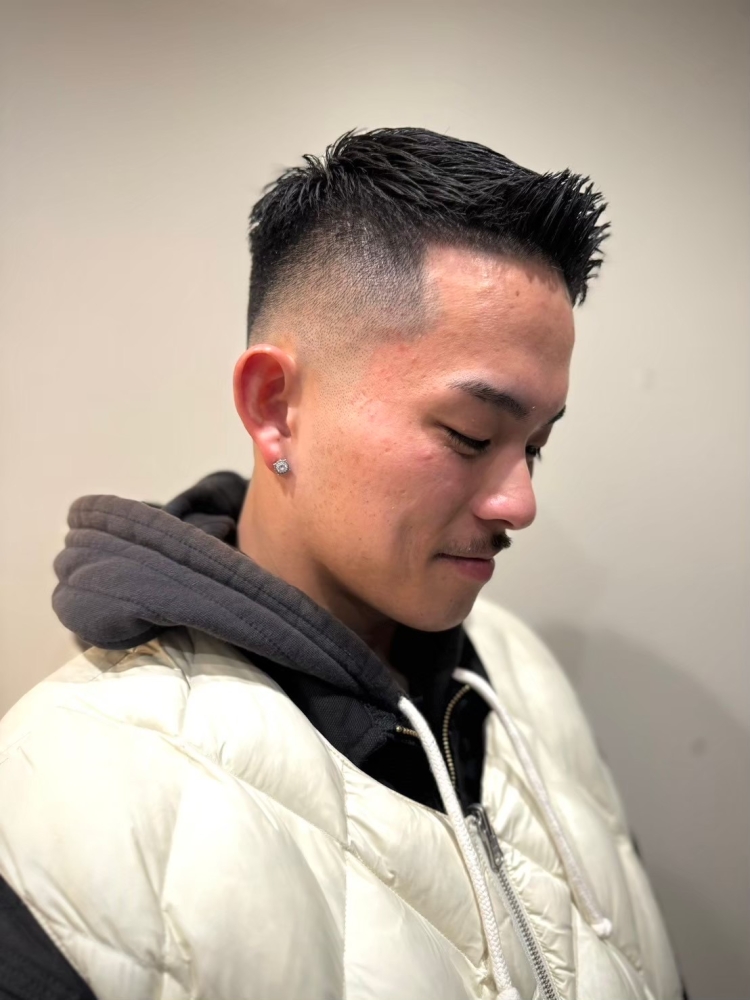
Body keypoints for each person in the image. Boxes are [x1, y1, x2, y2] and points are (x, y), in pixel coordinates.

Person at [0, 128, 686, 1000]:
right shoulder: (59, 801)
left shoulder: (521, 676)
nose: (520, 503)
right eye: (470, 435)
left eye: (536, 446)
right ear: (275, 407)